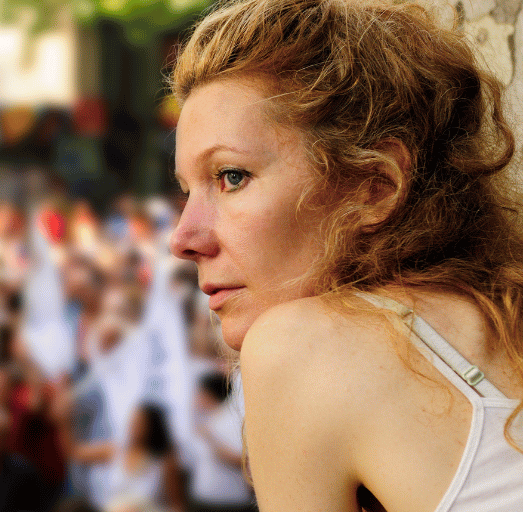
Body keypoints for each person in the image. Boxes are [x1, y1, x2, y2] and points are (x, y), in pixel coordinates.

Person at [169, 0, 523, 510]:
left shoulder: (298, 345)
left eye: (232, 177)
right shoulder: (497, 320)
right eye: (186, 191)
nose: (182, 237)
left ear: (373, 186)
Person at [53, 399, 184, 512]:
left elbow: (176, 505)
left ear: (151, 427)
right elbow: (74, 453)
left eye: (139, 423)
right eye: (132, 422)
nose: (133, 427)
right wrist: (63, 421)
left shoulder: (163, 462)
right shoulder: (116, 450)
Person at [189, 373, 254, 512]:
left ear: (209, 394)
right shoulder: (207, 420)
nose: (195, 398)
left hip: (229, 503)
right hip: (204, 500)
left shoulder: (231, 422)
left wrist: (210, 439)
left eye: (199, 393)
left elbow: (242, 461)